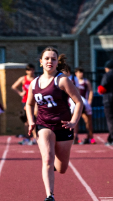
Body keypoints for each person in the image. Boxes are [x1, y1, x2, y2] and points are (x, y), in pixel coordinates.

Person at [26, 47, 83, 201]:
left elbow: (78, 102)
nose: (49, 61)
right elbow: (29, 104)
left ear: (57, 62)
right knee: (47, 159)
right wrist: (31, 121)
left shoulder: (62, 80)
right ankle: (49, 195)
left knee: (62, 168)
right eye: (46, 58)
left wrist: (73, 122)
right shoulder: (34, 83)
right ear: (40, 62)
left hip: (63, 126)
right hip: (43, 125)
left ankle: (54, 169)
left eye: (53, 59)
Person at [11, 64, 36, 145]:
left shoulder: (36, 79)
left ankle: (35, 138)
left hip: (35, 102)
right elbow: (14, 87)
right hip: (25, 102)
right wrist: (20, 93)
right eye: (29, 70)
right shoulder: (23, 79)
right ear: (26, 71)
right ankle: (28, 137)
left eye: (32, 70)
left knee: (34, 120)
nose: (31, 71)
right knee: (26, 121)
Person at [74, 67, 95, 144]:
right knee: (75, 121)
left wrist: (89, 101)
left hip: (84, 104)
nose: (81, 74)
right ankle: (75, 137)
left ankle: (90, 137)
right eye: (79, 72)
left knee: (88, 120)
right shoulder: (73, 81)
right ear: (76, 73)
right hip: (76, 104)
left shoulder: (86, 81)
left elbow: (91, 91)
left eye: (82, 72)